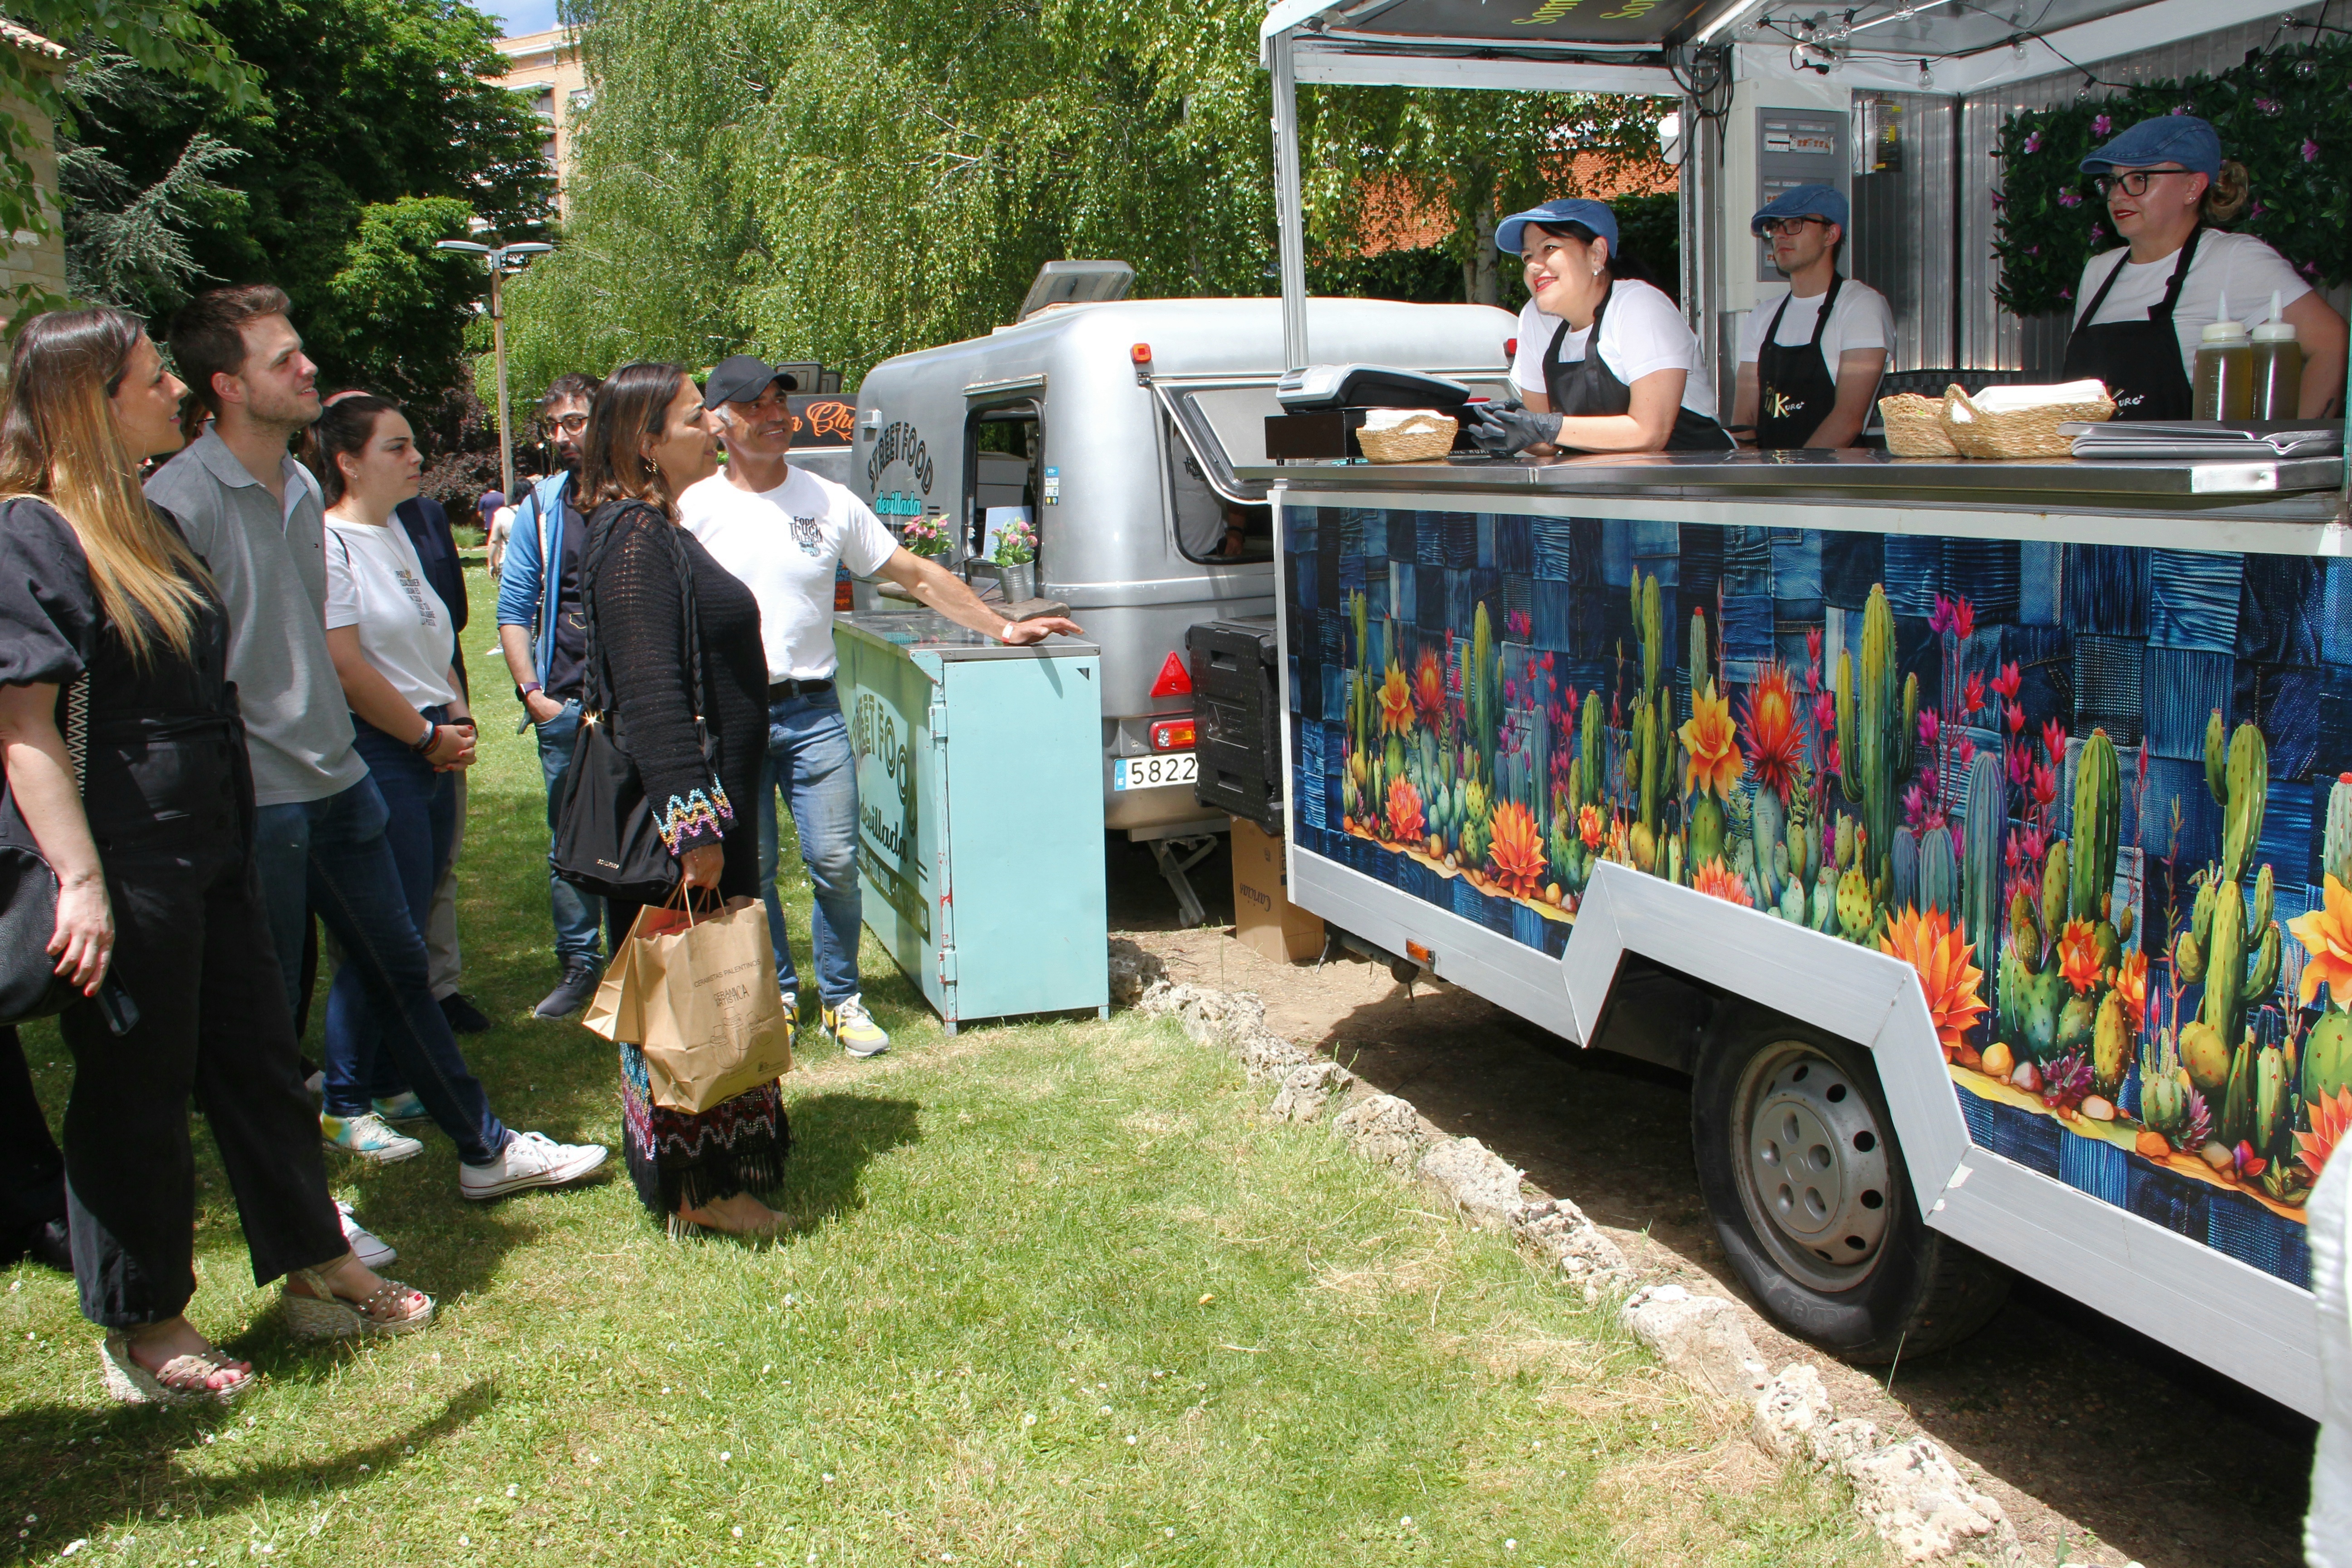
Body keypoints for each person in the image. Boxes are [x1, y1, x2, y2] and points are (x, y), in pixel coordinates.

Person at [0, 308, 432, 1401]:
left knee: (258, 1057)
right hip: (125, 852)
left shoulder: (145, 520)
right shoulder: (33, 530)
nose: (175, 395)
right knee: (136, 1089)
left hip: (216, 833)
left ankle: (313, 1262)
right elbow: (25, 726)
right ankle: (144, 1319)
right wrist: (81, 881)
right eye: (151, 380)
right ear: (91, 403)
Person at [146, 284, 606, 1200]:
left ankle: (483, 1150)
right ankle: (308, 1210)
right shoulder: (176, 502)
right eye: (283, 361)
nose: (308, 367)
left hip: (341, 774)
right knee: (265, 1010)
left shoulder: (305, 485)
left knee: (400, 966)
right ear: (227, 386)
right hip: (255, 793)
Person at [680, 355, 1083, 1055]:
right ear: (718, 421)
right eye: (755, 405)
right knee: (756, 869)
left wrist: (1003, 626)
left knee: (836, 861)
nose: (776, 414)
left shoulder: (827, 501)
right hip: (729, 716)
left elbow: (914, 574)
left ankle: (841, 998)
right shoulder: (691, 508)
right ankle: (775, 990)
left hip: (812, 712)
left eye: (781, 400)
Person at [581, 362, 789, 1236]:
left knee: (696, 991)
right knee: (691, 995)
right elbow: (654, 696)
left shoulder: (657, 527)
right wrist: (694, 833)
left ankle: (696, 1181)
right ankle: (703, 1191)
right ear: (645, 441)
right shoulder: (633, 538)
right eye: (695, 416)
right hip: (687, 824)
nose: (713, 427)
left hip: (709, 809)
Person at [314, 394, 478, 1161]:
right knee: (385, 933)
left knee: (409, 921)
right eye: (396, 447)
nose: (416, 459)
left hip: (429, 739)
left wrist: (456, 711)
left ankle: (384, 1077)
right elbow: (347, 666)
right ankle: (343, 1099)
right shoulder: (327, 543)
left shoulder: (400, 532)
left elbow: (429, 635)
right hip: (385, 747)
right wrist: (422, 738)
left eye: (413, 446)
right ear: (347, 461)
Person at [2063, 113, 2347, 421]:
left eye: (2139, 180)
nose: (2117, 196)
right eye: (2112, 182)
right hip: (2099, 467)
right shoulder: (2097, 272)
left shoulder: (2234, 258)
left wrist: (2283, 447)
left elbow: (2333, 343)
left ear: (2193, 187)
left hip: (2191, 467)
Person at [497, 372, 606, 1019]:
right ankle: (579, 963)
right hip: (563, 703)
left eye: (575, 422)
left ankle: (639, 961)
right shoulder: (545, 505)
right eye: (554, 426)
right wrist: (532, 692)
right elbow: (513, 607)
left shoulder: (641, 495)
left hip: (631, 704)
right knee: (569, 839)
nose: (562, 438)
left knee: (648, 832)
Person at [1466, 198, 1735, 456]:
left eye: (1549, 248)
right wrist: (1505, 428)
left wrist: (1545, 427)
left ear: (1597, 254)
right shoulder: (1536, 319)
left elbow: (1650, 433)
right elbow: (1546, 443)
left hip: (1698, 480)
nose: (1534, 266)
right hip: (1610, 486)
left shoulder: (1638, 305)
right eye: (1527, 257)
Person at [1731, 185, 1892, 450]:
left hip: (1833, 481)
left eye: (1795, 224)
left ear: (1831, 234)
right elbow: (1744, 422)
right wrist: (1751, 479)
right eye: (1775, 226)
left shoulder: (1860, 306)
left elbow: (1848, 421)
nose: (1780, 235)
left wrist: (1793, 482)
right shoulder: (1763, 316)